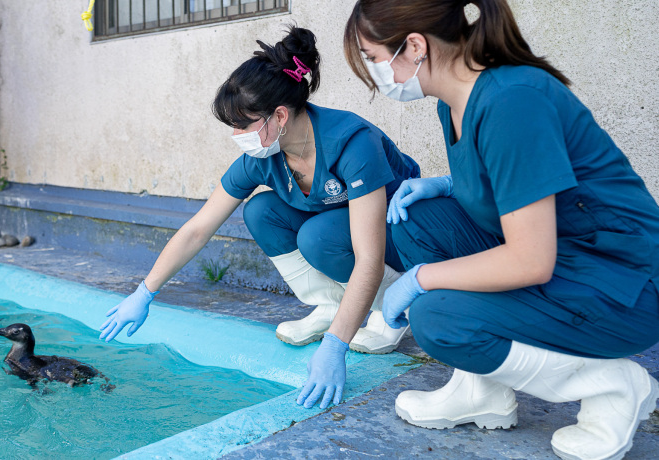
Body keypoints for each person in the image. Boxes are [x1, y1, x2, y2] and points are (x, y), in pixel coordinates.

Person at [343, 1, 659, 459]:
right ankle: (479, 390)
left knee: (439, 319)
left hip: (623, 285)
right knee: (415, 221)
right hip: (568, 261)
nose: (375, 74)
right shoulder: (457, 102)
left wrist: (420, 279)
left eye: (373, 58)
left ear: (414, 46)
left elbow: (530, 259)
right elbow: (512, 183)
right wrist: (448, 184)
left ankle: (613, 384)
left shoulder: (512, 99)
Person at [99, 26, 421, 410]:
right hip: (340, 230)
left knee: (318, 236)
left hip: (402, 235)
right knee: (261, 210)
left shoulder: (351, 142)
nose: (236, 135)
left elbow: (369, 256)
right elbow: (199, 227)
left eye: (242, 124)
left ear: (279, 115)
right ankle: (334, 306)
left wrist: (336, 347)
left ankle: (391, 308)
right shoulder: (264, 156)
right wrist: (144, 291)